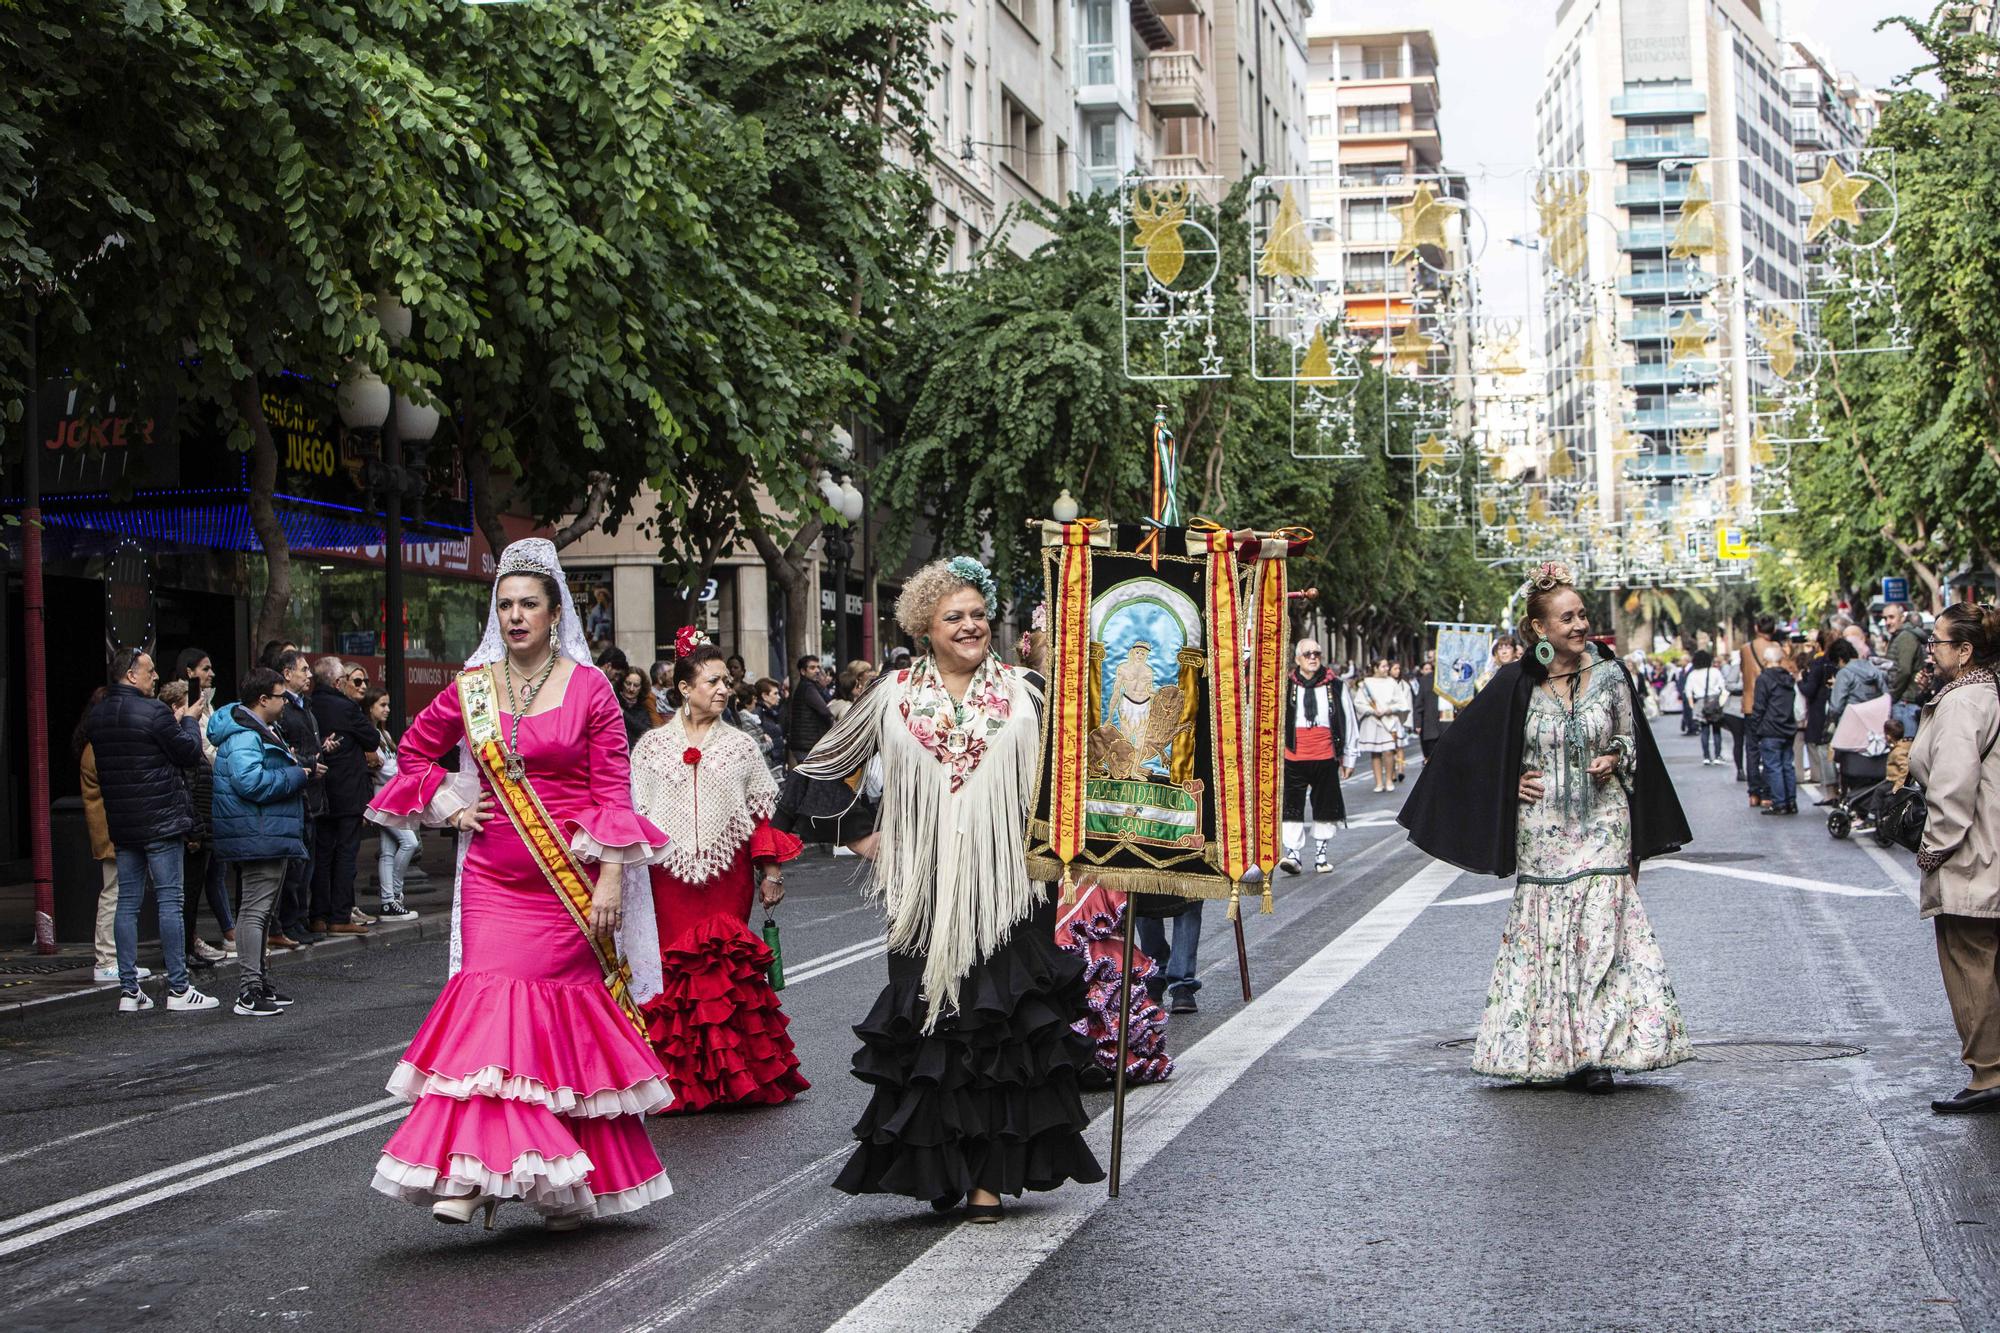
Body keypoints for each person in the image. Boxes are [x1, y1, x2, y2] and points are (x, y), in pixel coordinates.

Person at [365, 538, 674, 1229]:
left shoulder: (590, 688)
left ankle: (560, 1177)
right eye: (503, 604)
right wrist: (446, 796)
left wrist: (613, 879)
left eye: (527, 603)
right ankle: (474, 1173)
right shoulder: (472, 687)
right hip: (493, 881)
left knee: (554, 1026)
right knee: (490, 1012)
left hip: (569, 884)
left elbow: (613, 790)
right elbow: (412, 750)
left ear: (555, 610)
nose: (514, 616)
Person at [784, 556, 1103, 1219]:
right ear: (924, 625)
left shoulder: (1028, 690)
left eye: (979, 615)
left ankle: (990, 1177)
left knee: (1002, 1028)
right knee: (934, 1027)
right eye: (954, 616)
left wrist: (1074, 847)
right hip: (922, 894)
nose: (970, 626)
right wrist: (863, 834)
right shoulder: (892, 693)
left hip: (1013, 889)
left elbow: (1075, 775)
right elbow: (818, 770)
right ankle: (942, 1168)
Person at [1398, 561, 1693, 1092]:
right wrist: (1507, 782)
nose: (1580, 626)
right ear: (1539, 629)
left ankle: (1597, 1051)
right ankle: (1550, 1049)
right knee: (1551, 936)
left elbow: (1633, 741)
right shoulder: (1516, 683)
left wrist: (1615, 758)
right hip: (1542, 829)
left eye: (1583, 615)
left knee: (1602, 932)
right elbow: (1464, 752)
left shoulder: (1611, 674)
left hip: (1605, 821)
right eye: (1567, 618)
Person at [629, 635, 808, 1113]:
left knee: (722, 967)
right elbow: (635, 814)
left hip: (728, 875)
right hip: (665, 876)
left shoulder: (741, 748)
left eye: (726, 682)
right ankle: (679, 1082)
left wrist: (772, 872)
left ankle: (736, 1079)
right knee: (674, 970)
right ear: (685, 687)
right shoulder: (650, 748)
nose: (724, 690)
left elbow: (761, 816)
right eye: (713, 682)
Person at [84, 648, 219, 1013]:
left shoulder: (98, 717)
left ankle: (130, 990)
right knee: (170, 901)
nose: (156, 676)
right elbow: (190, 753)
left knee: (127, 903)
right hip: (160, 818)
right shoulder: (155, 711)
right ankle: (178, 987)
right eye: (149, 670)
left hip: (124, 822)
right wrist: (189, 720)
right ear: (130, 674)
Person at [1907, 605, 2000, 1114]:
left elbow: (1952, 786)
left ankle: (1987, 1073)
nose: (1931, 651)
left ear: (1964, 651)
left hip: (1973, 854)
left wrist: (1932, 849)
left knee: (1970, 963)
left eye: (1937, 643)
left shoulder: (1965, 702)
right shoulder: (1985, 692)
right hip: (1990, 845)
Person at [209, 668, 316, 1018]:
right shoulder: (244, 734)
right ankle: (249, 990)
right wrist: (296, 774)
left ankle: (259, 983)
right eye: (280, 695)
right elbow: (250, 782)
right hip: (257, 833)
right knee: (255, 912)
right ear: (262, 699)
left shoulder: (258, 730)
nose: (286, 701)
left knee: (263, 911)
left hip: (266, 831)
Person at [76, 691, 151, 985]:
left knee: (119, 892)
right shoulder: (97, 748)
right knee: (113, 893)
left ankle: (116, 959)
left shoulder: (93, 744)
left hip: (113, 827)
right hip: (109, 829)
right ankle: (107, 959)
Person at [308, 657, 378, 935]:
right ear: (338, 682)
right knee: (346, 853)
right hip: (347, 791)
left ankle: (318, 915)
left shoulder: (308, 705)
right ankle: (340, 915)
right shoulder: (346, 707)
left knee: (322, 855)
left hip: (320, 790)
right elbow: (371, 740)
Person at [1279, 638, 1356, 876]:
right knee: (1291, 806)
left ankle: (1321, 854)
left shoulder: (1335, 686)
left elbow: (1348, 720)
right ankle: (1293, 854)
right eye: (1308, 654)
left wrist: (1349, 757)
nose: (1313, 658)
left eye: (1317, 654)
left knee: (1325, 806)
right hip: (1293, 755)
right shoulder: (1286, 686)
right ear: (1297, 659)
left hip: (1325, 754)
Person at [270, 649, 324, 948]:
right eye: (303, 669)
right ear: (287, 673)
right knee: (295, 866)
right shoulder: (285, 710)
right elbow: (287, 754)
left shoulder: (305, 707)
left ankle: (299, 919)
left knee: (307, 865)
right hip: (298, 792)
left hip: (312, 795)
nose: (309, 675)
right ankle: (289, 921)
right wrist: (308, 762)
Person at [362, 688, 421, 922]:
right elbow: (387, 771)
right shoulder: (372, 736)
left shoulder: (383, 735)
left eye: (387, 705)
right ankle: (394, 895)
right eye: (382, 705)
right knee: (409, 842)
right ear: (370, 708)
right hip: (383, 798)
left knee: (388, 851)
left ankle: (389, 903)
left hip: (390, 797)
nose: (387, 710)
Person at [1751, 644, 1799, 816]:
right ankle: (1791, 801)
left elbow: (1759, 706)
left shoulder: (1764, 679)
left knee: (1774, 767)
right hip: (1787, 726)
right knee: (1787, 765)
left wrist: (1755, 728)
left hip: (1770, 728)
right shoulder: (1788, 678)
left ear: (1766, 661)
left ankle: (1779, 803)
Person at [1740, 617, 1777, 807]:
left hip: (1750, 704)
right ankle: (1767, 793)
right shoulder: (1776, 649)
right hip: (1770, 705)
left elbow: (1743, 672)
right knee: (1769, 748)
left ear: (1756, 628)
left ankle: (1753, 793)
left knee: (1752, 749)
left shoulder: (1746, 649)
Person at [1354, 658, 1406, 794]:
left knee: (1389, 750)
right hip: (1372, 720)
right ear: (1375, 668)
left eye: (1387, 666)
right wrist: (1371, 710)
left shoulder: (1392, 682)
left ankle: (1389, 780)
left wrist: (1389, 710)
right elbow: (1359, 703)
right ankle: (1378, 782)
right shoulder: (1366, 683)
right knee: (1375, 752)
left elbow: (1401, 702)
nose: (1386, 669)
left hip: (1388, 720)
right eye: (1383, 666)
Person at [1825, 637, 1889, 735]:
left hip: (1851, 727)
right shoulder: (1872, 667)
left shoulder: (1844, 673)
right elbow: (1886, 696)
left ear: (1840, 659)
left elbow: (1836, 707)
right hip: (1875, 726)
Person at [1885, 600, 1928, 741]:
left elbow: (1904, 670)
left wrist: (1892, 696)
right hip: (1904, 702)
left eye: (1891, 617)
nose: (1887, 622)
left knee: (1904, 751)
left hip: (1906, 702)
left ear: (1902, 618)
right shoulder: (1900, 636)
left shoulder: (1905, 637)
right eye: (1885, 618)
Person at [786, 654, 832, 765]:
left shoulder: (812, 686)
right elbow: (825, 711)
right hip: (807, 745)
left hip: (806, 744)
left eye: (818, 667)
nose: (817, 671)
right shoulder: (808, 688)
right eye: (812, 668)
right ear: (803, 671)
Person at [616, 667, 654, 747]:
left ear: (641, 688)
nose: (631, 689)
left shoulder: (643, 708)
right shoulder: (614, 701)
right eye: (628, 683)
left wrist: (623, 713)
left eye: (636, 685)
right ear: (622, 683)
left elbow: (646, 732)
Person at [1884, 716, 1913, 790]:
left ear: (1888, 736)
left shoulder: (1898, 752)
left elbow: (1905, 769)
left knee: (1879, 792)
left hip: (1895, 781)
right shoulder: (1901, 746)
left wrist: (1898, 786)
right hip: (1893, 779)